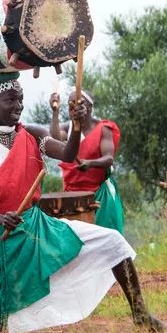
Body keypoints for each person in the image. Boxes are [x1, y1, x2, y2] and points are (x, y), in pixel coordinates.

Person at [0, 75, 167, 333]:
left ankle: (141, 315)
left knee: (114, 243)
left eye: (21, 100)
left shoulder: (32, 134)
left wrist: (75, 125)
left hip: (37, 228)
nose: (18, 106)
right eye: (11, 100)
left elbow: (67, 154)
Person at [50, 90, 124, 232]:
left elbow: (108, 158)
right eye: (70, 105)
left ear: (89, 107)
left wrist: (90, 163)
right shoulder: (67, 128)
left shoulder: (103, 128)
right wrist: (55, 112)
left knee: (105, 237)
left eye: (79, 104)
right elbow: (54, 140)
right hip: (72, 195)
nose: (74, 108)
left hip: (100, 194)